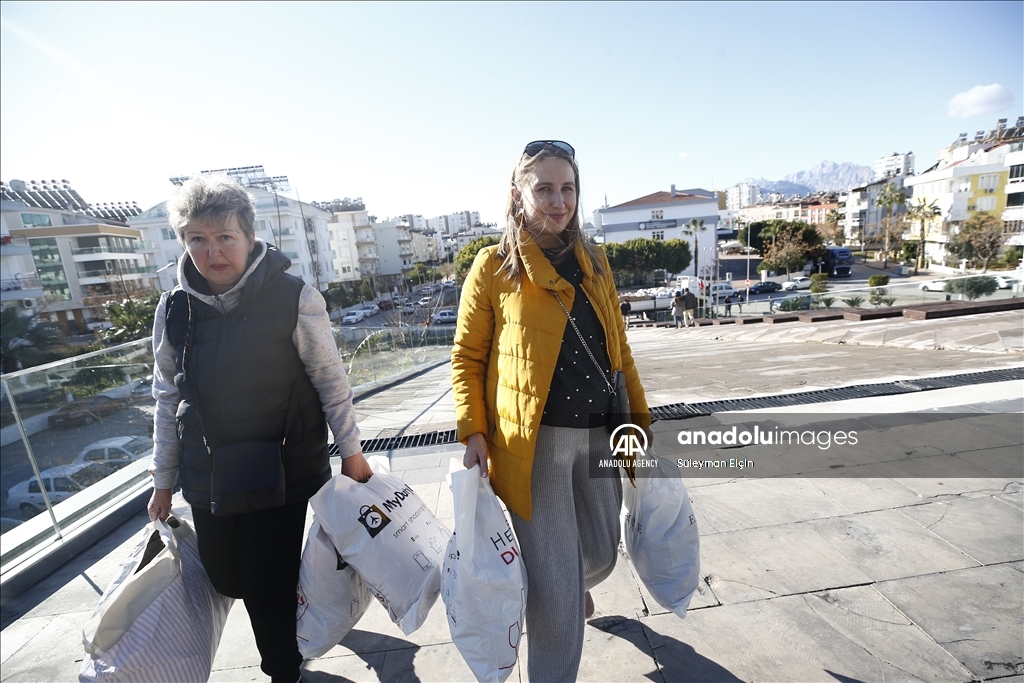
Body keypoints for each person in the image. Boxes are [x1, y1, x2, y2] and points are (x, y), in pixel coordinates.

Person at [147, 175, 371, 683]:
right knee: (228, 578)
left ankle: (283, 672)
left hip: (283, 469)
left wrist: (351, 451)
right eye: (198, 239)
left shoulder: (294, 297)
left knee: (265, 587)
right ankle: (307, 601)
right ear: (184, 243)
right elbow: (165, 397)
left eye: (225, 237)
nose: (213, 252)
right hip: (210, 473)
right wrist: (163, 480)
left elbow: (329, 378)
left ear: (249, 237)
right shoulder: (173, 310)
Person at [451, 140, 651, 682]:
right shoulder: (493, 268)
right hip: (532, 449)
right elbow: (466, 357)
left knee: (604, 555)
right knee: (556, 600)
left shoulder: (597, 263)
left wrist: (640, 420)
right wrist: (473, 431)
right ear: (518, 195)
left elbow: (619, 350)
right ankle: (556, 614)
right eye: (544, 189)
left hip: (599, 435)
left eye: (567, 188)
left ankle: (569, 583)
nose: (558, 201)